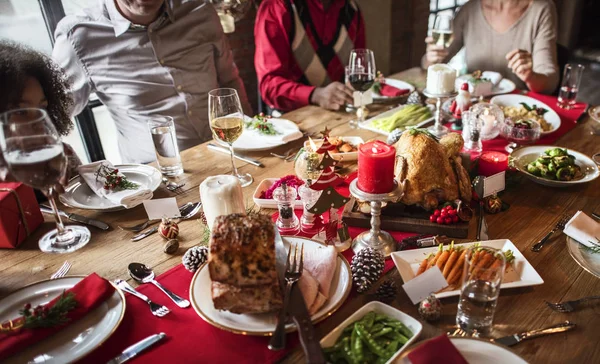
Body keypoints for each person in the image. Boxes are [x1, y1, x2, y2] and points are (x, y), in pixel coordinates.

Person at [53, 0, 252, 164]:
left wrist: (251, 139)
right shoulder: (78, 37)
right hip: (158, 180)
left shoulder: (200, 10)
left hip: (228, 157)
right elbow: (51, 118)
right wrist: (64, 162)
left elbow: (229, 80)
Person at [423, 0, 559, 94]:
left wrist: (530, 76)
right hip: (470, 103)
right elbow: (434, 62)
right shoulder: (470, 8)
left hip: (514, 109)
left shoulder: (541, 9)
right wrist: (432, 58)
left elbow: (549, 84)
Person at [254, 0, 365, 112]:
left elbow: (359, 68)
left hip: (339, 116)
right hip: (290, 120)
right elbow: (269, 86)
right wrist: (315, 95)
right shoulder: (277, 7)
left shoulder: (351, 9)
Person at [0, 41, 81, 182]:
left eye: (42, 109)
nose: (39, 123)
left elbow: (88, 195)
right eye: (21, 112)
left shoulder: (59, 155)